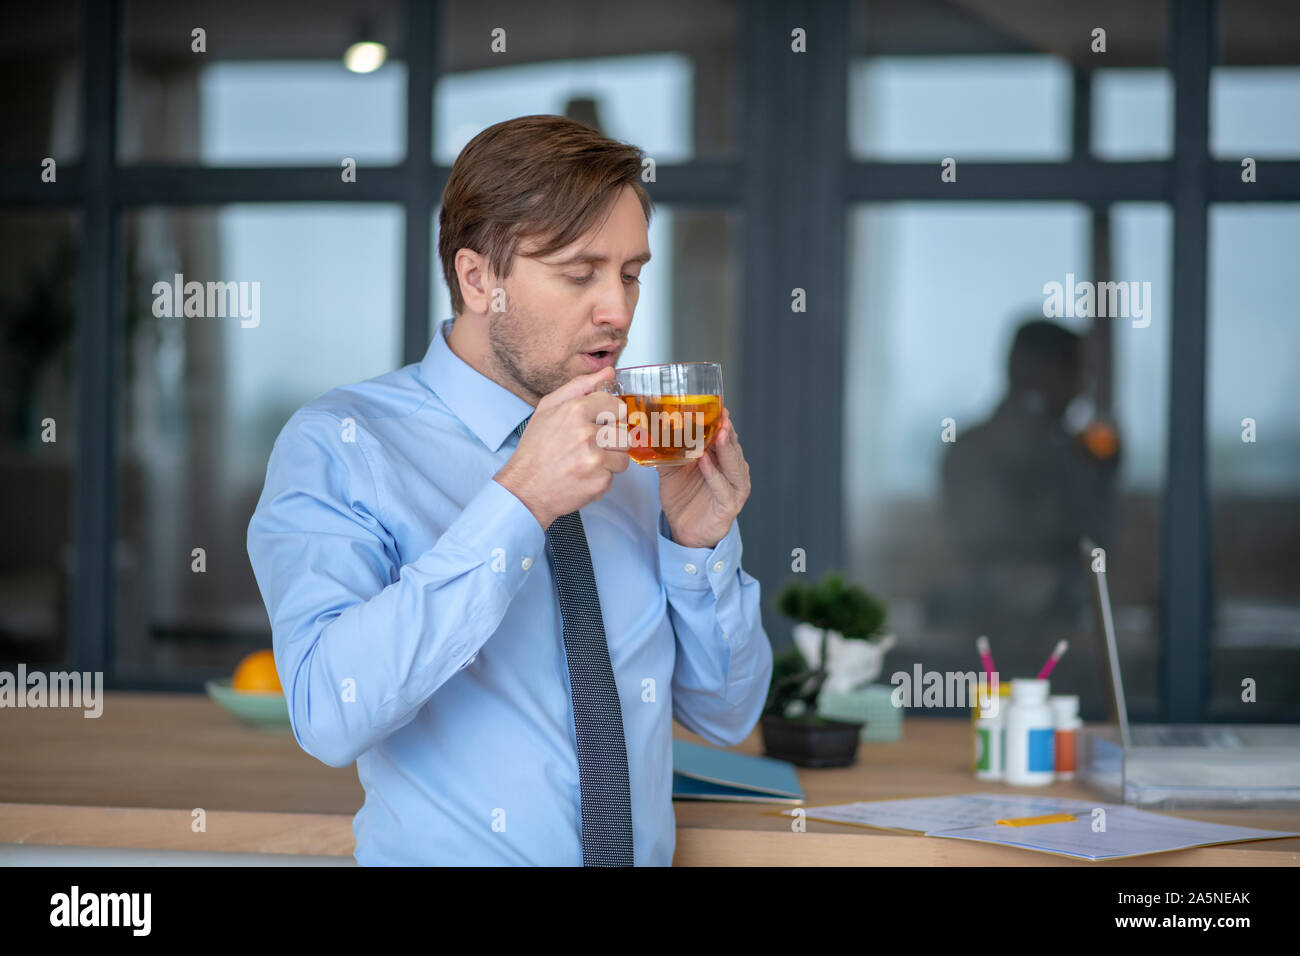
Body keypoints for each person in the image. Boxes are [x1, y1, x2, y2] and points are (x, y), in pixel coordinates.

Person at [245, 115, 771, 866]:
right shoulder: (342, 444)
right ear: (478, 278)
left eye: (630, 273)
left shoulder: (641, 451)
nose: (618, 311)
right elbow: (329, 713)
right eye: (579, 272)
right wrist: (519, 501)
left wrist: (699, 545)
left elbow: (727, 716)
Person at [938, 319, 1119, 689]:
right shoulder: (976, 450)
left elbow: (1098, 543)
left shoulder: (1076, 452)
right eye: (1073, 373)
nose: (1080, 390)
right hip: (989, 645)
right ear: (1035, 372)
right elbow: (987, 539)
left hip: (1064, 642)